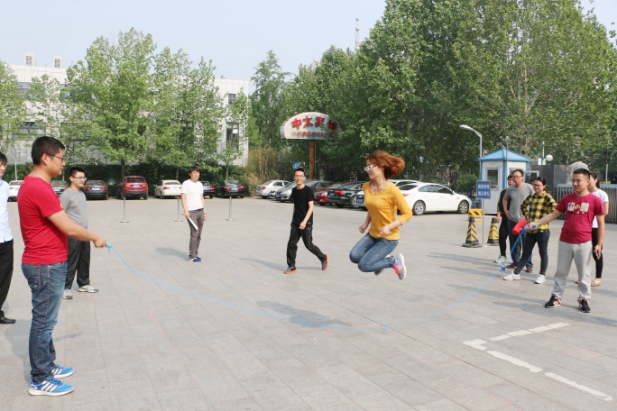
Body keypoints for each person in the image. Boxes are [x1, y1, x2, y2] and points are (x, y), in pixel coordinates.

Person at [18, 136, 106, 396]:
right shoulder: (38, 188)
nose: (64, 163)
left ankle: (48, 365)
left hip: (47, 262)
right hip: (44, 264)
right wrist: (95, 237)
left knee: (47, 321)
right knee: (43, 323)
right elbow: (69, 227)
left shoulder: (37, 185)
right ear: (45, 158)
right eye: (61, 158)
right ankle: (40, 379)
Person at [527, 169, 604, 313]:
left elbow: (601, 223)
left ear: (587, 181)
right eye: (573, 180)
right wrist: (536, 222)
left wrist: (599, 244)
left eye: (578, 181)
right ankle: (556, 297)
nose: (575, 183)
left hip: (584, 242)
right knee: (561, 272)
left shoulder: (595, 200)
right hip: (565, 241)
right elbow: (553, 214)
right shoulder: (567, 199)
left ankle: (584, 299)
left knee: (584, 274)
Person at [349, 151, 412, 280]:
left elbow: (408, 213)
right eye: (367, 167)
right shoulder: (366, 187)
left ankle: (393, 261)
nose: (368, 170)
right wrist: (365, 224)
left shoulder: (392, 190)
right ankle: (378, 262)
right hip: (373, 234)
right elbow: (373, 208)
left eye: (371, 166)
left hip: (388, 239)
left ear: (381, 166)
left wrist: (389, 226)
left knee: (364, 265)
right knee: (354, 256)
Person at [503, 178, 556, 283]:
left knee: (543, 252)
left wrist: (545, 218)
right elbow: (523, 206)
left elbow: (555, 210)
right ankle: (516, 273)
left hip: (542, 230)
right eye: (534, 185)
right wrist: (527, 216)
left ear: (544, 186)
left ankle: (542, 275)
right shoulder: (531, 197)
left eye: (539, 185)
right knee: (526, 252)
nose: (536, 187)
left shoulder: (547, 197)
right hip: (531, 231)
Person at [60, 167, 98, 299]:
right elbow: (60, 214)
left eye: (84, 178)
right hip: (72, 234)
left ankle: (84, 283)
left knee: (84, 259)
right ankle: (65, 287)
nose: (83, 180)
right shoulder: (66, 195)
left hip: (84, 232)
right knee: (71, 260)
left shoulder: (82, 194)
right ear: (71, 178)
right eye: (80, 178)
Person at [284, 168, 328, 274]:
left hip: (306, 222)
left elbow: (311, 207)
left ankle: (323, 257)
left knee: (308, 245)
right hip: (296, 222)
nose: (298, 178)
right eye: (296, 176)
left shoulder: (308, 190)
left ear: (304, 178)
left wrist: (304, 222)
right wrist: (293, 219)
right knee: (291, 244)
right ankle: (291, 266)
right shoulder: (294, 190)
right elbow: (295, 206)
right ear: (294, 177)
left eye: (300, 176)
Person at [502, 169, 534, 270]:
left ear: (522, 177)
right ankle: (516, 262)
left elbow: (535, 199)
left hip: (525, 220)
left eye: (517, 177)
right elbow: (505, 199)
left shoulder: (528, 187)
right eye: (513, 177)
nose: (515, 179)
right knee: (514, 243)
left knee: (526, 243)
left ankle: (528, 264)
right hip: (512, 220)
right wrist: (506, 210)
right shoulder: (510, 189)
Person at [0, 152, 15, 325]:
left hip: (6, 238)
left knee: (4, 277)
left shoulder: (4, 186)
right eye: (0, 165)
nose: (3, 168)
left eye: (4, 165)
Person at [181, 167, 206, 262]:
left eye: (198, 172)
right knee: (194, 233)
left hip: (200, 211)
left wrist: (204, 212)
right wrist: (186, 211)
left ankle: (195, 254)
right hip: (191, 212)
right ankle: (192, 256)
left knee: (199, 234)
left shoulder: (200, 184)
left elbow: (202, 198)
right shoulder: (186, 183)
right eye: (194, 173)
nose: (196, 174)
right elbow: (183, 197)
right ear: (190, 174)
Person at [589, 172, 609, 287]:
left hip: (596, 227)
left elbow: (605, 211)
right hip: (585, 226)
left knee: (597, 252)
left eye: (589, 179)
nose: (587, 181)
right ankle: (584, 276)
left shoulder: (601, 194)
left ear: (596, 180)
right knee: (584, 253)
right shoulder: (584, 193)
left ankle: (598, 277)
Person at [494, 175, 514, 264]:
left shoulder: (518, 192)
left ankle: (515, 260)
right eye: (509, 180)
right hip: (505, 219)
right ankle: (502, 255)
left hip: (515, 220)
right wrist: (499, 215)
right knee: (502, 237)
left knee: (514, 240)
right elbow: (500, 205)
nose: (510, 182)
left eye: (512, 180)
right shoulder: (503, 192)